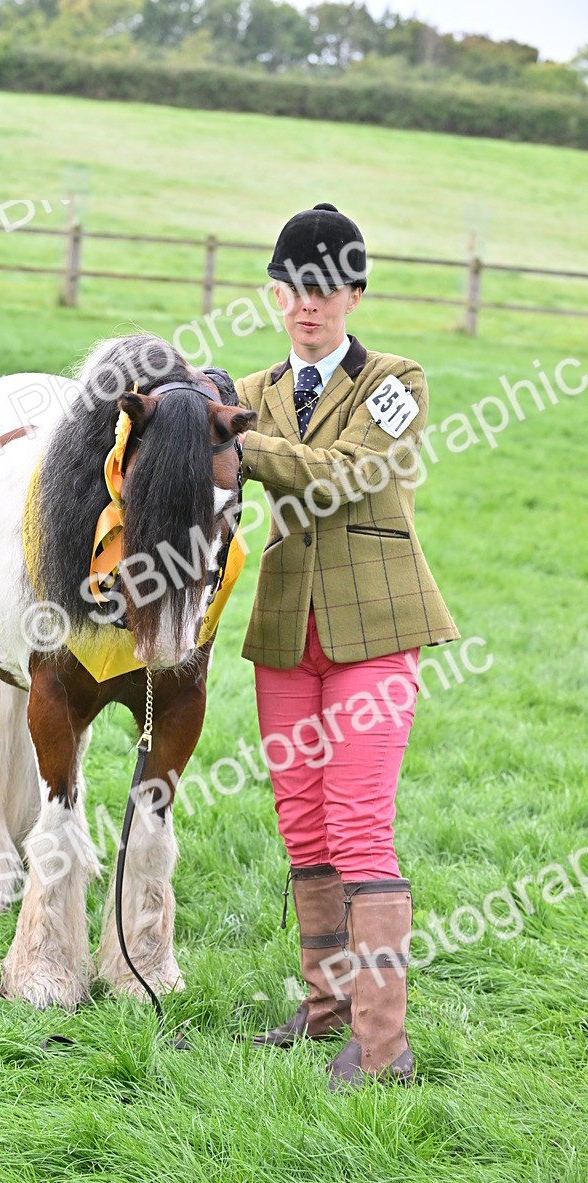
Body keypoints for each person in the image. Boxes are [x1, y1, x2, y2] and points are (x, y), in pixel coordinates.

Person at [234, 203, 459, 1090]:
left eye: (324, 288)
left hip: (377, 632)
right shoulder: (251, 390)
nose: (305, 304)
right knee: (303, 825)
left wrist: (240, 444)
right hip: (289, 637)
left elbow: (350, 474)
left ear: (355, 294)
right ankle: (323, 1009)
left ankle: (382, 1049)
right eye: (290, 286)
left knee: (361, 829)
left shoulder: (394, 380)